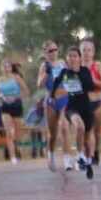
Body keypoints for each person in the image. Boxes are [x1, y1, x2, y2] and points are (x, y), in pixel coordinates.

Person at [51, 46, 99, 179]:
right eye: (70, 56)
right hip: (72, 108)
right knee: (79, 127)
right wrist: (54, 94)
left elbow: (90, 86)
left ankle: (88, 162)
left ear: (79, 58)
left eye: (74, 56)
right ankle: (79, 156)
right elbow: (55, 88)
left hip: (86, 107)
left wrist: (77, 76)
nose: (72, 58)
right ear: (67, 59)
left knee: (88, 140)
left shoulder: (84, 71)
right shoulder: (64, 73)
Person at [36, 41, 74, 172]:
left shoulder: (63, 63)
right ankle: (51, 155)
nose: (53, 53)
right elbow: (39, 84)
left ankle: (67, 159)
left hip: (64, 99)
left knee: (64, 127)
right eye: (50, 51)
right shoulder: (44, 66)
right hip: (51, 101)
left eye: (55, 49)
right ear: (45, 53)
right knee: (53, 134)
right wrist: (46, 73)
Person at [0, 58, 29, 165]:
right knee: (8, 132)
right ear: (1, 68)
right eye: (4, 66)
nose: (6, 68)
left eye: (8, 66)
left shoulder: (16, 77)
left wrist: (16, 97)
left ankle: (15, 144)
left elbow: (26, 91)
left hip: (16, 105)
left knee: (17, 133)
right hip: (5, 106)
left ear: (11, 68)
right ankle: (13, 157)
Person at [80, 38, 101, 167]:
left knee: (96, 131)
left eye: (89, 50)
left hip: (97, 101)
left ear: (93, 52)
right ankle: (87, 155)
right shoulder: (76, 67)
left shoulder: (98, 66)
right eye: (83, 50)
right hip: (83, 103)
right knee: (87, 131)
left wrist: (93, 81)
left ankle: (95, 153)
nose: (86, 53)